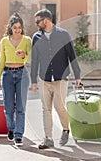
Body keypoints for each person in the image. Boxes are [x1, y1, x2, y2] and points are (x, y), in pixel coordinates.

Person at [30, 9, 81, 149]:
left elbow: (72, 56)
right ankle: (48, 138)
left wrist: (78, 76)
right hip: (44, 79)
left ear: (46, 20)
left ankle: (65, 129)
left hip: (61, 79)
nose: (36, 24)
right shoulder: (36, 37)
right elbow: (34, 60)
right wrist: (33, 81)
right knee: (46, 109)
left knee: (59, 107)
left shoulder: (63, 35)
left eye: (37, 21)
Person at [0, 13, 31, 146]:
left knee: (21, 107)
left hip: (22, 74)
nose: (17, 30)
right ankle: (11, 128)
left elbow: (31, 58)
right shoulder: (4, 41)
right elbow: (1, 61)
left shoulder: (27, 40)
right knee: (9, 108)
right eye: (15, 27)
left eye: (19, 27)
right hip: (7, 75)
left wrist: (24, 56)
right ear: (10, 28)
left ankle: (18, 135)